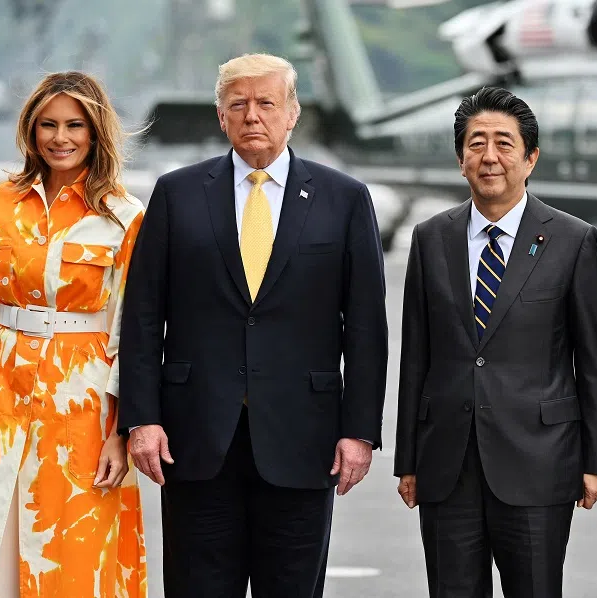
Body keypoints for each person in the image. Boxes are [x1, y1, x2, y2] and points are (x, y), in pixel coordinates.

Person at [117, 53, 389, 598]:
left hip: (302, 439)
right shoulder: (177, 193)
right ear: (220, 116)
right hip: (194, 438)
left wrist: (359, 432)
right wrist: (141, 419)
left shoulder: (344, 199)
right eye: (237, 104)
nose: (252, 115)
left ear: (293, 114)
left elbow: (365, 328)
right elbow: (144, 316)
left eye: (267, 103)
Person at [0, 71, 147, 597]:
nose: (60, 137)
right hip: (0, 399)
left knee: (71, 551)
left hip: (84, 406)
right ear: (30, 130)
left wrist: (121, 432)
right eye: (47, 124)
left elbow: (130, 334)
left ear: (96, 133)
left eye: (74, 125)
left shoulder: (125, 216)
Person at [393, 86, 597, 598]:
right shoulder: (431, 238)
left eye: (503, 143)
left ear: (530, 157)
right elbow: (416, 358)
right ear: (460, 158)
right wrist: (408, 458)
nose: (489, 156)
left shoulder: (573, 239)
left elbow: (596, 362)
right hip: (447, 464)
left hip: (541, 460)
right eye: (476, 144)